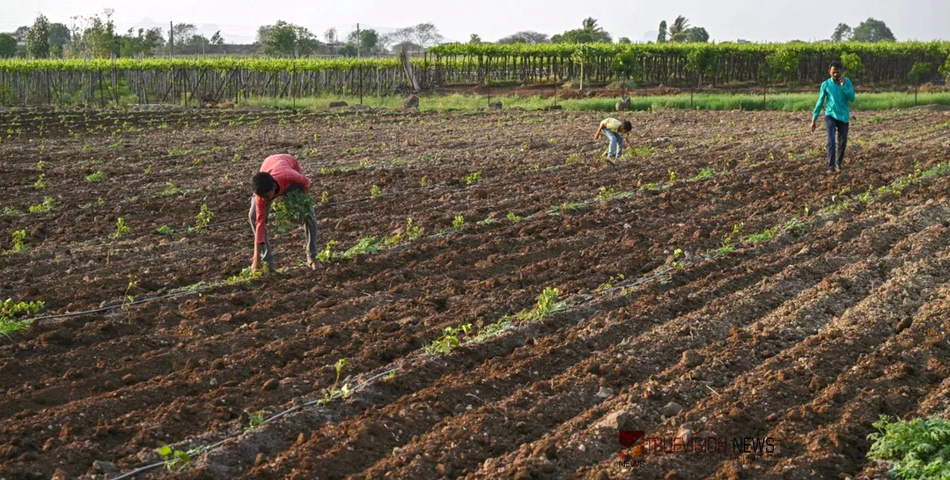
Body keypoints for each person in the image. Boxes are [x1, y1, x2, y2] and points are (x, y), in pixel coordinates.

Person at [249, 154, 320, 271]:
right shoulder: (261, 196)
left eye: (267, 196)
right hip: (269, 165)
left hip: (289, 168)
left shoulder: (290, 176)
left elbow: (306, 183)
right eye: (262, 197)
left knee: (309, 215)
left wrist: (301, 205)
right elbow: (260, 223)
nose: (265, 200)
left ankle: (312, 257)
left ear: (273, 187)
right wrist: (256, 258)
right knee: (253, 216)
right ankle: (267, 261)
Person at [811, 60, 856, 175]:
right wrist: (814, 119)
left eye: (838, 72)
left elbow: (852, 98)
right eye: (833, 72)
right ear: (829, 72)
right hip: (830, 115)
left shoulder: (847, 82)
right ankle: (830, 167)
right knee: (831, 141)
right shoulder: (825, 85)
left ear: (841, 72)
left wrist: (843, 86)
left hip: (844, 116)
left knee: (843, 142)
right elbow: (820, 102)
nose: (836, 75)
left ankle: (838, 163)